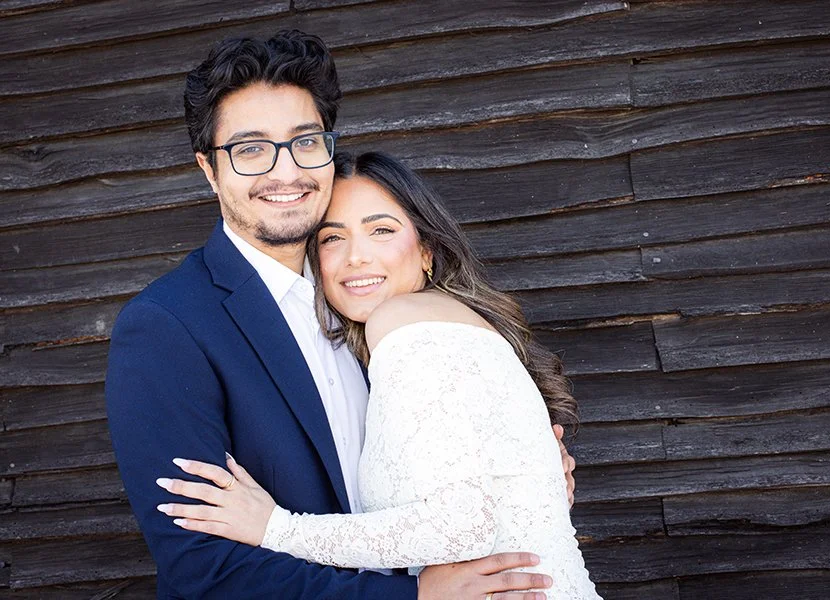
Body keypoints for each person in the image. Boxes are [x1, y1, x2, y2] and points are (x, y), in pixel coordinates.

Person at [106, 30, 574, 599]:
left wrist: (524, 472)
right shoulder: (165, 326)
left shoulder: (365, 297)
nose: (286, 172)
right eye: (251, 149)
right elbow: (204, 569)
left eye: (305, 142)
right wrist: (413, 598)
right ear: (210, 169)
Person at [154, 151, 602, 599]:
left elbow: (462, 525)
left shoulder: (402, 320)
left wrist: (277, 528)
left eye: (381, 230)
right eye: (333, 238)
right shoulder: (442, 325)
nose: (356, 257)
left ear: (427, 249)